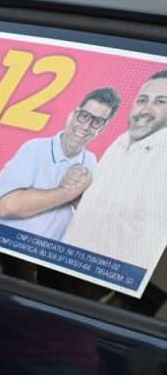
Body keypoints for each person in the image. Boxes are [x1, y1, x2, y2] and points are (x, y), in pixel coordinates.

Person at [0, 87, 120, 240]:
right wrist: (68, 192)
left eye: (97, 122)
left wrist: (79, 201)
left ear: (102, 128)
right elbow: (7, 207)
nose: (86, 126)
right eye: (84, 116)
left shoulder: (91, 162)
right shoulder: (35, 149)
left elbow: (94, 221)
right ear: (72, 115)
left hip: (41, 257)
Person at [62, 70, 167, 264]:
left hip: (105, 279)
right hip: (67, 262)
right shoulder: (122, 141)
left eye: (161, 102)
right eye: (142, 100)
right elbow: (106, 210)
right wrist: (76, 189)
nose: (145, 110)